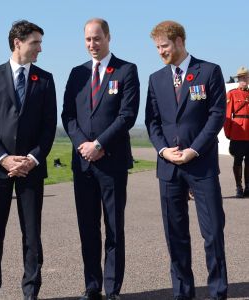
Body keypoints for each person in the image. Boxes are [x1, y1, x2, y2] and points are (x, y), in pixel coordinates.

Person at [145, 21, 228, 300]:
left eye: (164, 46)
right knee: (175, 235)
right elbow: (152, 121)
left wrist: (194, 149)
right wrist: (162, 150)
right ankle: (183, 292)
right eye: (156, 47)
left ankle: (217, 292)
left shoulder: (209, 71)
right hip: (169, 168)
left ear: (179, 41)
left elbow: (216, 115)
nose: (160, 52)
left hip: (201, 164)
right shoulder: (156, 79)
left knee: (213, 232)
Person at [0, 20, 57, 300]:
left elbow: (49, 127)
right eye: (35, 43)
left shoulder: (45, 79)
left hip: (31, 170)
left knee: (32, 236)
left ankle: (31, 292)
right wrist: (4, 158)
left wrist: (31, 159)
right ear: (17, 43)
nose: (40, 49)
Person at [62, 18, 139, 300]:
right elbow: (67, 115)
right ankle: (92, 286)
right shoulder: (76, 73)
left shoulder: (127, 71)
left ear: (108, 37)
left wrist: (100, 143)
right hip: (83, 163)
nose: (92, 45)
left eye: (97, 38)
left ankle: (113, 288)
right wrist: (84, 144)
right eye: (87, 40)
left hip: (112, 162)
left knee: (114, 227)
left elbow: (127, 115)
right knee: (88, 227)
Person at [224, 67, 249, 198]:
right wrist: (228, 132)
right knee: (238, 160)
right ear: (238, 80)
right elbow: (228, 115)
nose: (244, 80)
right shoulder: (232, 94)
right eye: (241, 78)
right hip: (238, 132)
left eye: (246, 78)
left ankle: (248, 187)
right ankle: (239, 187)